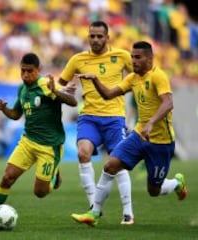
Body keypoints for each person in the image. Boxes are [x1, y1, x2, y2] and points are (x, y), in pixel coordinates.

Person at [71, 41, 187, 227]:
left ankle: (176, 183)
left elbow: (168, 103)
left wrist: (151, 122)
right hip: (139, 135)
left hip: (161, 142)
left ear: (150, 58)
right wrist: (95, 80)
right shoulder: (133, 78)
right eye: (132, 57)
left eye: (138, 57)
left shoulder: (158, 76)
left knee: (153, 190)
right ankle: (94, 212)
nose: (133, 60)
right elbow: (109, 94)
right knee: (110, 165)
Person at [0, 52, 77, 227]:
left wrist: (56, 91)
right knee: (7, 177)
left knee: (40, 192)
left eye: (30, 71)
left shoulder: (45, 85)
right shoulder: (22, 88)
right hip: (28, 142)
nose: (25, 75)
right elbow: (16, 114)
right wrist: (4, 110)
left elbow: (73, 102)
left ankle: (54, 178)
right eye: (22, 71)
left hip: (49, 147)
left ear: (39, 70)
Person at [58, 20, 134, 224]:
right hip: (89, 116)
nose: (96, 39)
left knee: (117, 162)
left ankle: (128, 213)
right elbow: (61, 84)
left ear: (108, 38)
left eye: (100, 36)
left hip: (114, 118)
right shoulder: (78, 59)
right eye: (92, 36)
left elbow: (139, 76)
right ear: (88, 37)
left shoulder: (122, 56)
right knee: (83, 153)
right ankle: (93, 208)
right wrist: (66, 91)